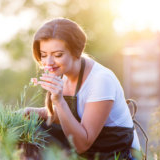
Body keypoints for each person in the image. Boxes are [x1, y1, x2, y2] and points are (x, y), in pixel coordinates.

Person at [24, 18, 140, 160]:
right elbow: (68, 116)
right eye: (43, 55)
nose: (48, 62)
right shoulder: (64, 74)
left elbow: (82, 144)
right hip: (91, 153)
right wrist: (31, 112)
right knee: (27, 131)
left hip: (117, 154)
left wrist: (59, 101)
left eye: (57, 55)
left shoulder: (100, 80)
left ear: (76, 51)